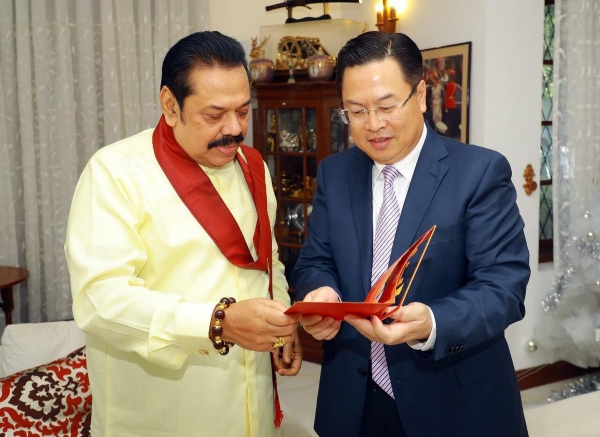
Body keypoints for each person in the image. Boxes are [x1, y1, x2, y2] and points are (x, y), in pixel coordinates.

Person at [292, 31, 529, 437]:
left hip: (454, 402)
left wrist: (432, 322)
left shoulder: (479, 173)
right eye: (356, 111)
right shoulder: (336, 173)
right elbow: (316, 260)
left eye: (386, 106)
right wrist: (320, 292)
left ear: (420, 95)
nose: (374, 125)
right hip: (354, 398)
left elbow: (503, 288)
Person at [64, 31, 302, 437]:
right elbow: (99, 299)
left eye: (243, 111)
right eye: (214, 115)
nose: (234, 129)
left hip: (252, 404)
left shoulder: (252, 165)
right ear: (170, 106)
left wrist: (283, 319)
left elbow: (267, 259)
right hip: (163, 411)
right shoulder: (115, 173)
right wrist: (217, 323)